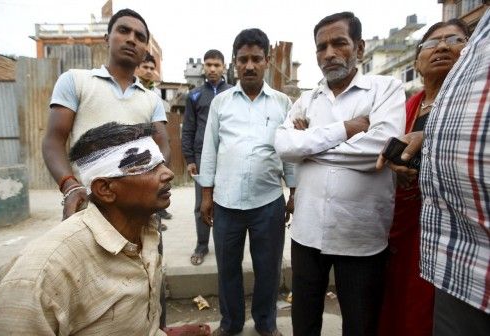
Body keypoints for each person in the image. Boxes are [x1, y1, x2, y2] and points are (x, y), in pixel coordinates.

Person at [274, 12, 405, 336]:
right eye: (321, 47)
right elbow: (283, 146)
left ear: (359, 48)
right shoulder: (307, 99)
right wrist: (345, 129)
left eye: (339, 43)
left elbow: (382, 148)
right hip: (307, 233)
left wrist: (309, 144)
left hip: (360, 236)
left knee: (360, 324)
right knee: (304, 322)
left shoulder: (385, 89)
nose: (329, 53)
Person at [0, 122, 174, 335]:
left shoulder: (146, 234)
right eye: (148, 166)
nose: (168, 173)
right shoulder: (40, 276)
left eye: (161, 163)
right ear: (105, 189)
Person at [377, 5, 490, 335]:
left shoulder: (471, 108)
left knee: (426, 309)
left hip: (450, 229)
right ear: (416, 62)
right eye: (432, 43)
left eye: (455, 39)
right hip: (401, 222)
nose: (442, 47)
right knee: (394, 302)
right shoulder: (403, 108)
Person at [198, 29, 295, 336]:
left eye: (256, 59)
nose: (249, 65)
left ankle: (266, 324)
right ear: (234, 63)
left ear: (266, 61)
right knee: (227, 269)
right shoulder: (221, 103)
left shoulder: (282, 103)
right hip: (226, 203)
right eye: (243, 59)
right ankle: (231, 324)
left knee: (268, 270)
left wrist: (293, 191)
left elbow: (290, 151)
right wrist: (206, 194)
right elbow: (210, 149)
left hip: (268, 202)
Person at [42, 8, 170, 220]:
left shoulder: (152, 99)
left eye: (139, 37)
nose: (131, 39)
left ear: (145, 48)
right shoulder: (75, 81)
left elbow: (163, 145)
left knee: (147, 253)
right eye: (123, 31)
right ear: (106, 39)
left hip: (139, 208)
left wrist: (150, 183)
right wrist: (70, 186)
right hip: (90, 208)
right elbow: (53, 141)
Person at [181, 49, 232, 266]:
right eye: (208, 64)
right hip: (202, 157)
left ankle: (226, 245)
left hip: (228, 155)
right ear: (203, 67)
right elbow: (188, 129)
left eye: (216, 65)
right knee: (202, 202)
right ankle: (202, 245)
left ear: (224, 68)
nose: (212, 69)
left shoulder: (232, 93)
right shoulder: (194, 96)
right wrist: (190, 158)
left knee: (226, 203)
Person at [135, 51, 173, 224]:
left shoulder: (154, 93)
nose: (149, 71)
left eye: (152, 68)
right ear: (137, 67)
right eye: (145, 67)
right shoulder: (134, 90)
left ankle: (156, 219)